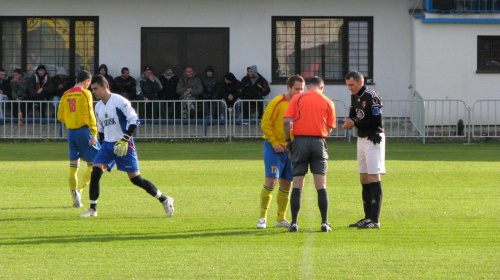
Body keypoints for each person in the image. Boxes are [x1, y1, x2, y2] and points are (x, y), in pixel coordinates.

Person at [80, 75, 174, 218]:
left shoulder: (119, 101)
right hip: (107, 147)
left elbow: (134, 120)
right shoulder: (98, 107)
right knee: (96, 172)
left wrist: (125, 138)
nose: (94, 92)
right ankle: (93, 209)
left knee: (136, 179)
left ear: (105, 87)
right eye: (92, 89)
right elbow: (101, 129)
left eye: (96, 89)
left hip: (124, 144)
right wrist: (103, 143)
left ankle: (165, 199)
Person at [283, 76, 337, 233]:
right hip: (318, 142)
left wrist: (288, 140)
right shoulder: (328, 101)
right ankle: (324, 223)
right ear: (322, 87)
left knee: (297, 183)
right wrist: (321, 135)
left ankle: (294, 223)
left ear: (308, 87)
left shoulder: (298, 98)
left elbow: (286, 121)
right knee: (321, 184)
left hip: (299, 141)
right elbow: (330, 127)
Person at [257, 74, 305, 229]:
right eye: (296, 89)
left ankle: (281, 219)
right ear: (288, 88)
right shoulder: (277, 102)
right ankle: (262, 217)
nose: (299, 92)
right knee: (271, 180)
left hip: (291, 149)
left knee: (287, 184)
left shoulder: (302, 104)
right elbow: (265, 123)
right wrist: (275, 143)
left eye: (302, 89)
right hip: (274, 148)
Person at [342, 71, 385, 229]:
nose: (349, 88)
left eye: (352, 85)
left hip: (373, 138)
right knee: (364, 177)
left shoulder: (372, 95)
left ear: (361, 82)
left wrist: (355, 124)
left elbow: (376, 121)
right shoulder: (354, 95)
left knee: (374, 176)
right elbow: (354, 114)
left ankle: (375, 220)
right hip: (361, 138)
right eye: (348, 85)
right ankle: (367, 217)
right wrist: (350, 120)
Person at [57, 70, 100, 208]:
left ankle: (74, 195)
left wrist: (71, 119)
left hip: (71, 132)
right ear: (87, 81)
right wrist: (94, 131)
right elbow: (89, 113)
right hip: (84, 131)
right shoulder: (85, 93)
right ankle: (80, 190)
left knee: (73, 166)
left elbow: (60, 116)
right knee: (95, 164)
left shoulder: (66, 94)